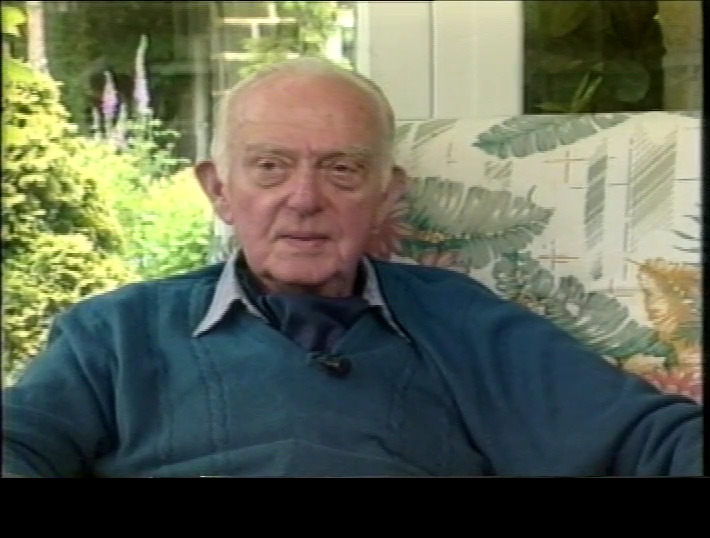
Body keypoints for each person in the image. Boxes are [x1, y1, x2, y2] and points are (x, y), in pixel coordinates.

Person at [2, 57, 703, 478]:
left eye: (341, 169)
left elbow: (653, 438)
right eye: (270, 166)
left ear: (387, 194)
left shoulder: (460, 319)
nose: (304, 199)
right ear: (219, 190)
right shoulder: (114, 334)